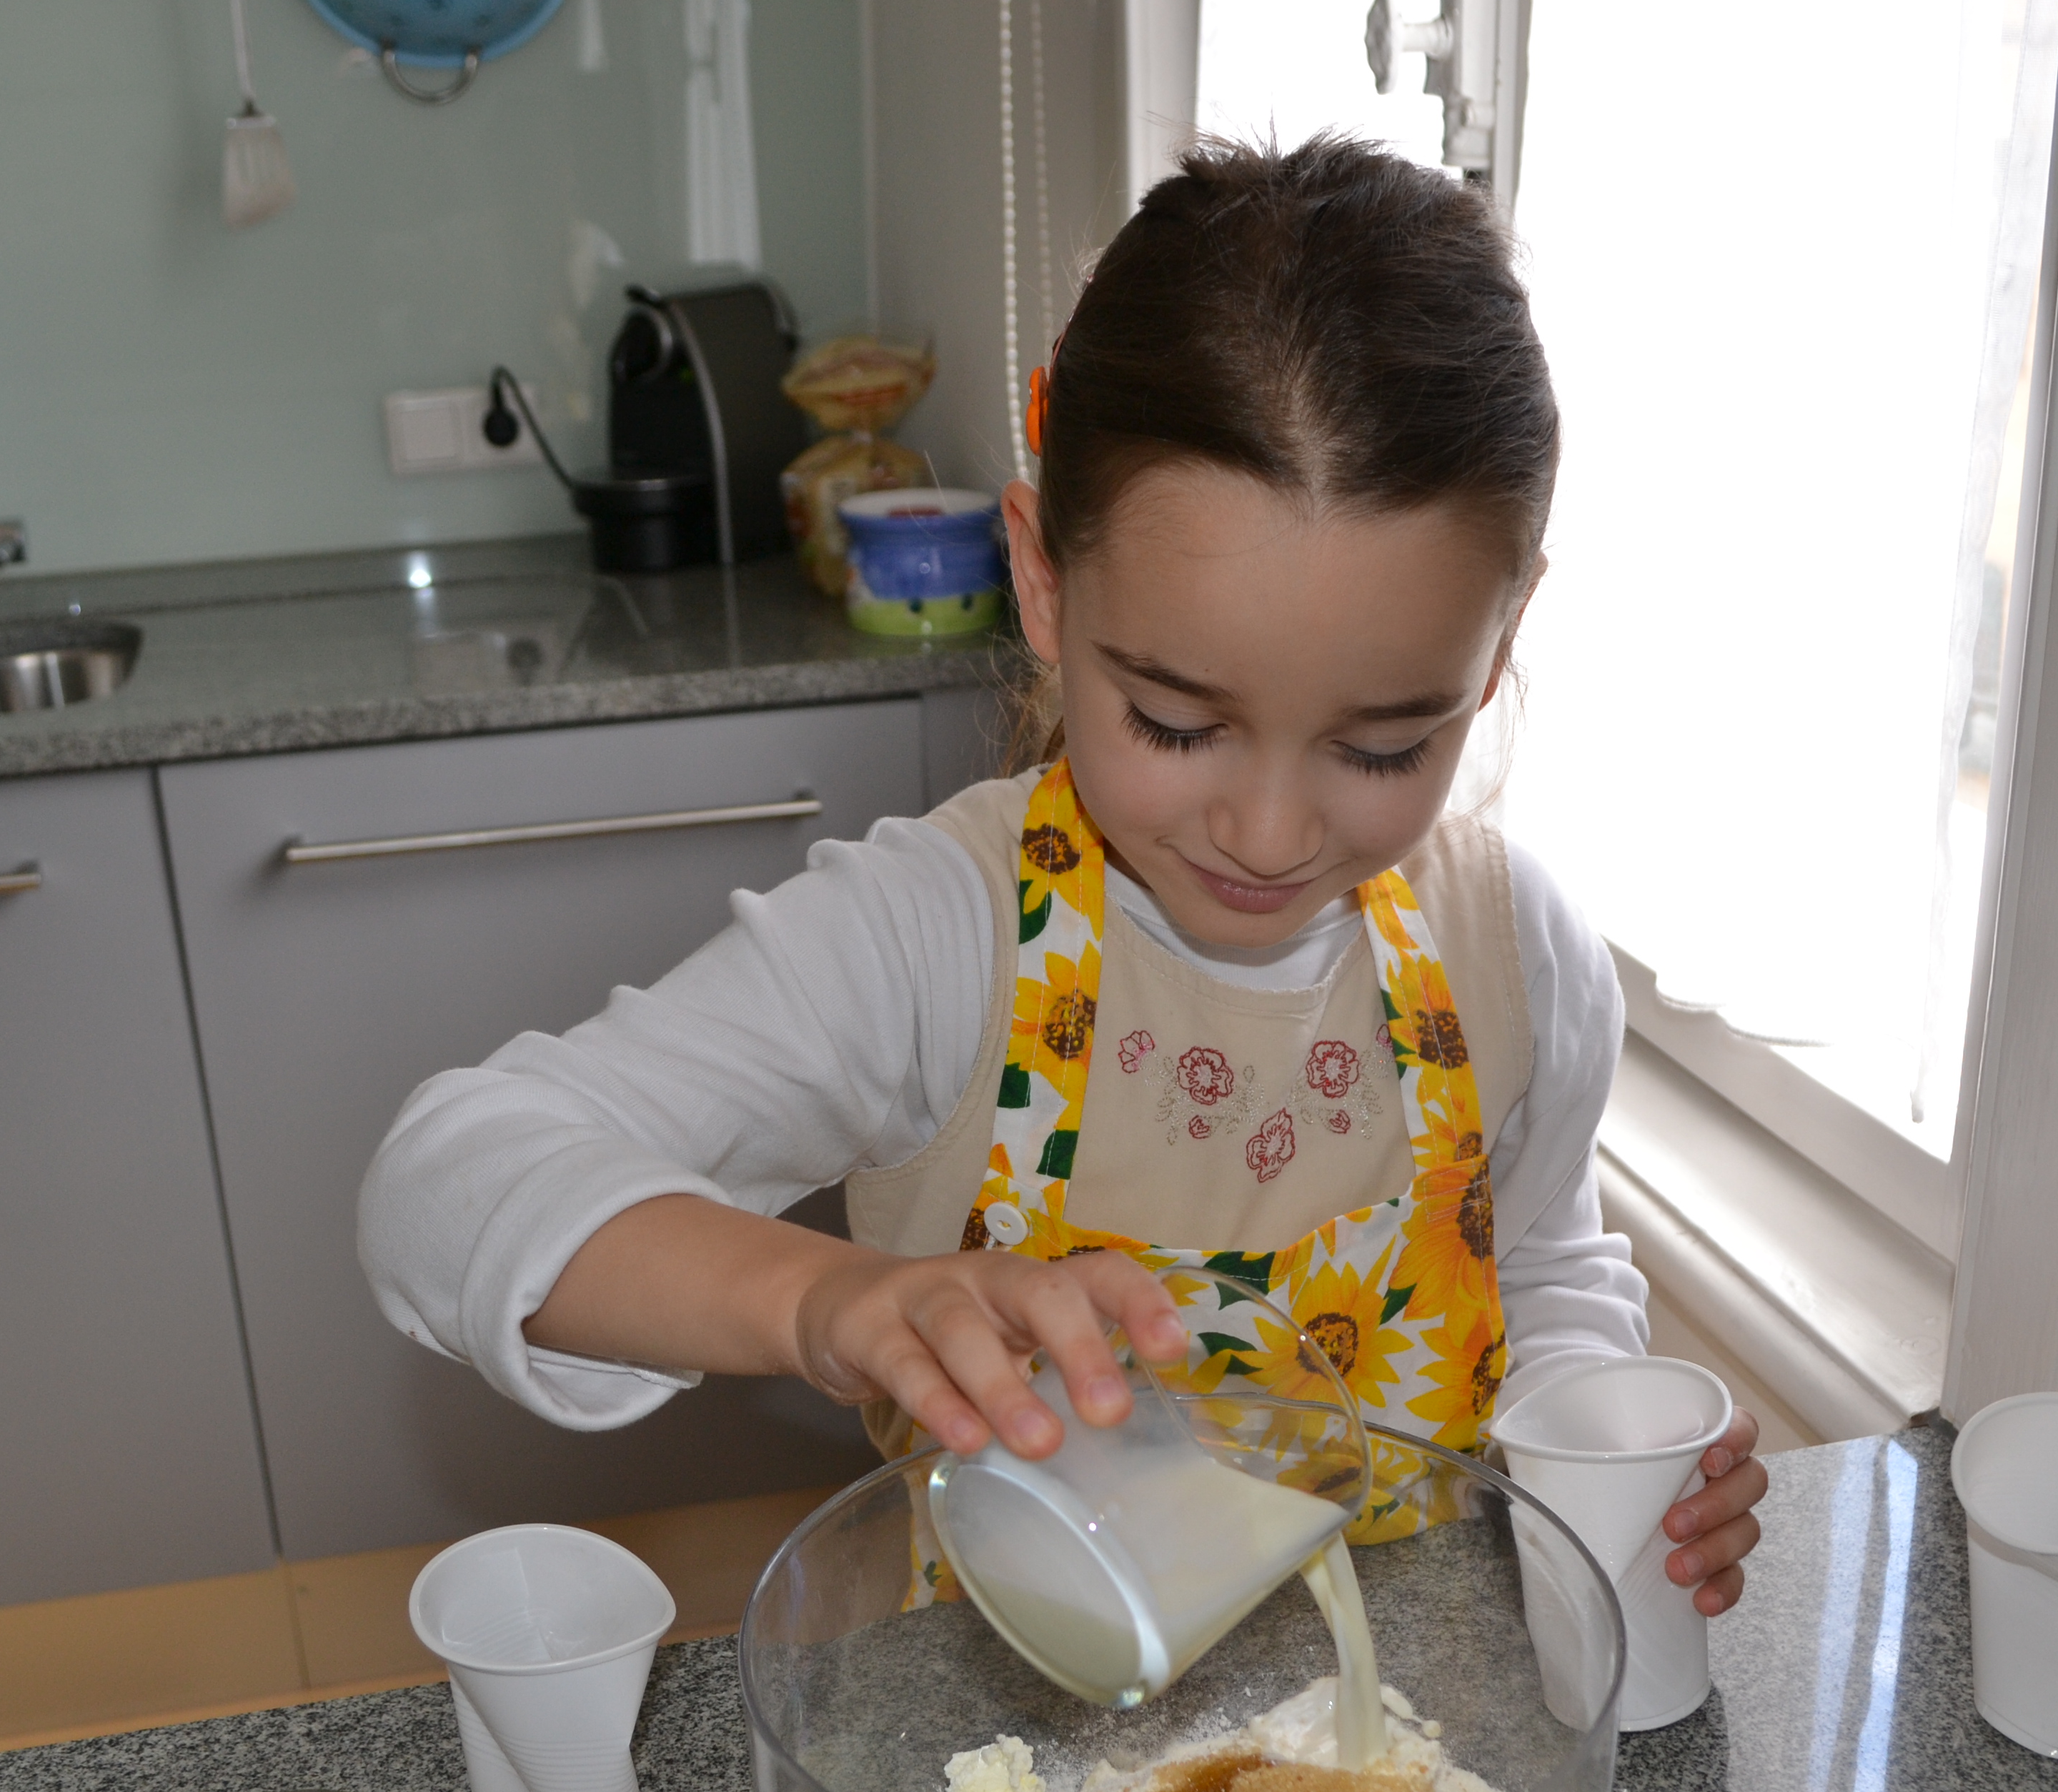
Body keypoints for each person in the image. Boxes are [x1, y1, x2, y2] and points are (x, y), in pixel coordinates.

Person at [359, 137, 1767, 1618]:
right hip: (1018, 1741)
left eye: (1382, 746)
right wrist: (827, 1301)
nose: (1270, 834)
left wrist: (1609, 1450)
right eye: (1176, 723)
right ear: (1041, 580)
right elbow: (446, 1181)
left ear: (1499, 638)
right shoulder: (937, 944)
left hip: (1408, 1731)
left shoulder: (1516, 955)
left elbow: (1538, 1271)